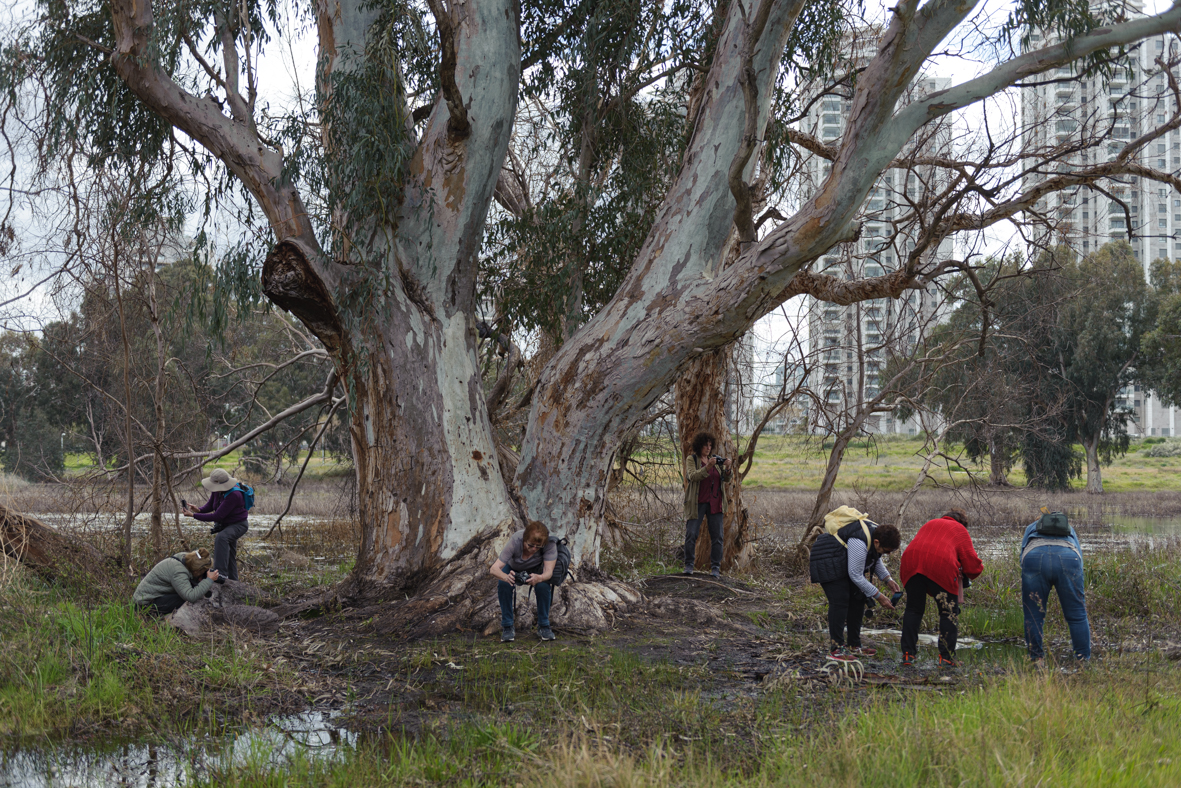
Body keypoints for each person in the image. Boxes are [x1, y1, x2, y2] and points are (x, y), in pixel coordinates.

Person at [898, 508, 983, 667]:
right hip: (939, 565)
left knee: (913, 610)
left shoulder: (930, 523)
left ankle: (908, 655)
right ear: (962, 523)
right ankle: (947, 658)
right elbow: (972, 567)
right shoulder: (959, 529)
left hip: (910, 562)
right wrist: (975, 569)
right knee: (948, 612)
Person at [810, 518, 902, 660]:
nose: (887, 554)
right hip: (827, 560)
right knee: (840, 600)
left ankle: (854, 645)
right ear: (877, 542)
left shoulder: (876, 535)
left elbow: (875, 558)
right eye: (886, 551)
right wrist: (879, 596)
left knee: (858, 598)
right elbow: (856, 575)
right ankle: (836, 649)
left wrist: (887, 579)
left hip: (842, 560)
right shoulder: (859, 541)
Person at [1021, 513, 1091, 664]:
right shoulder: (1070, 529)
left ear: (1040, 521)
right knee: (1077, 615)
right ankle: (1082, 660)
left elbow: (1022, 554)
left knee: (1033, 616)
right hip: (1068, 558)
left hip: (1033, 557)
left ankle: (1037, 659)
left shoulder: (1030, 528)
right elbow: (1079, 558)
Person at [490, 520, 558, 643]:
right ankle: (507, 626)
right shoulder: (516, 540)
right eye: (530, 545)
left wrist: (540, 578)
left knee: (543, 586)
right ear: (524, 539)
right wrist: (505, 577)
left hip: (536, 570)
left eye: (538, 547)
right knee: (504, 584)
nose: (534, 549)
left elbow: (549, 572)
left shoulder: (550, 544)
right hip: (513, 567)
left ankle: (544, 626)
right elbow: (494, 569)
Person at [183, 468, 249, 581]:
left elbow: (216, 516)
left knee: (221, 538)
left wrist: (193, 516)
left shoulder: (234, 495)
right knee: (230, 555)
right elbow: (210, 506)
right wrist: (198, 510)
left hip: (239, 525)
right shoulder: (217, 491)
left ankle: (220, 574)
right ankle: (233, 580)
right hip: (227, 525)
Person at [682, 431, 732, 578]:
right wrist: (708, 466)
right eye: (705, 445)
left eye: (710, 445)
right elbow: (693, 476)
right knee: (691, 533)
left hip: (715, 503)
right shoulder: (692, 459)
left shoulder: (715, 460)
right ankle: (689, 565)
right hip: (697, 502)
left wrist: (728, 468)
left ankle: (715, 567)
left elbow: (726, 479)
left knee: (717, 536)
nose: (708, 448)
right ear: (699, 446)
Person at [133, 548, 219, 615]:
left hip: (153, 597)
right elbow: (191, 596)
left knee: (189, 592)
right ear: (197, 571)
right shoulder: (179, 571)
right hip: (144, 605)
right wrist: (208, 580)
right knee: (187, 600)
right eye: (203, 571)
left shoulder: (186, 558)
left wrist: (198, 579)